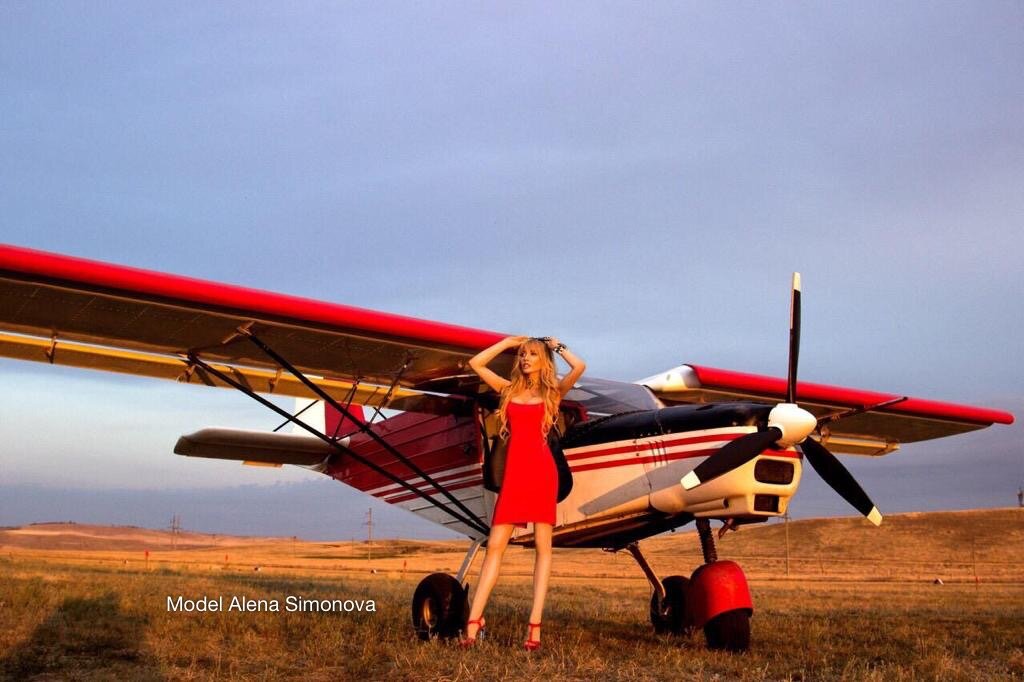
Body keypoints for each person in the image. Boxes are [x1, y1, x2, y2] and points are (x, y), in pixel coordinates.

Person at [461, 335, 585, 650]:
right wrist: (506, 344)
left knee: (544, 548)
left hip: (543, 474)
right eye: (523, 355)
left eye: (531, 354)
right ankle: (473, 623)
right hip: (514, 476)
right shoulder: (508, 390)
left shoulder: (552, 392)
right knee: (495, 546)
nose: (525, 359)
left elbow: (579, 365)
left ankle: (534, 627)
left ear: (543, 360)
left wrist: (557, 346)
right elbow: (476, 363)